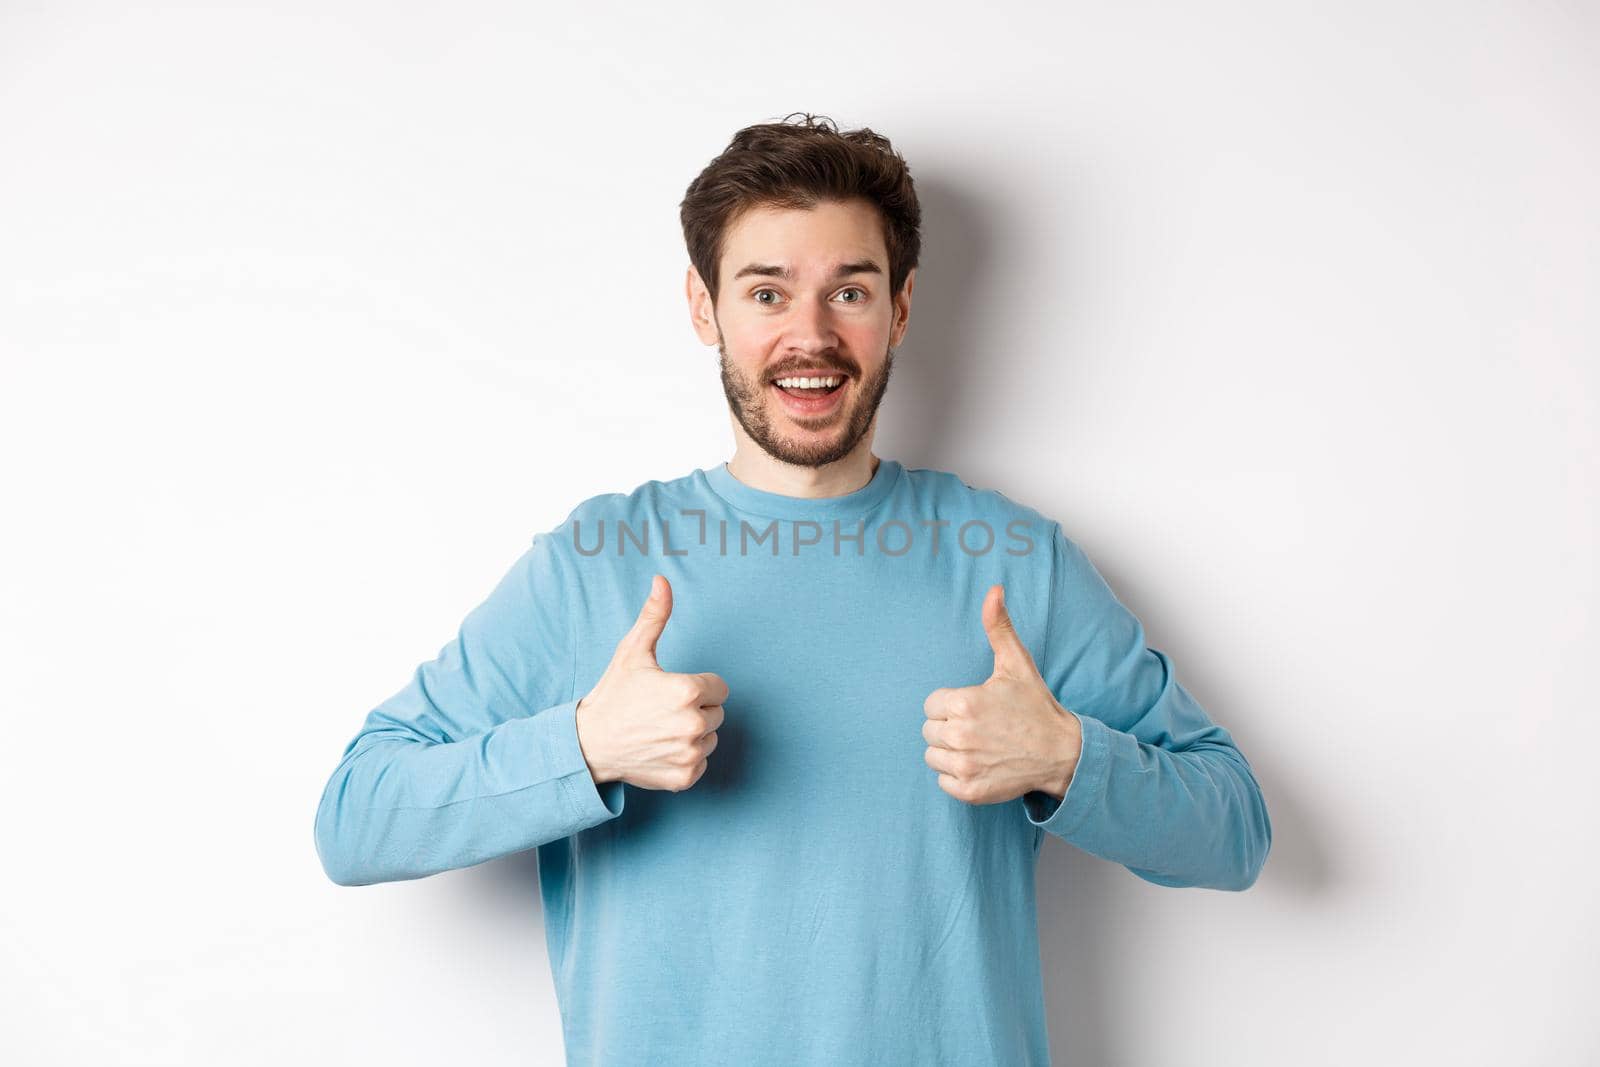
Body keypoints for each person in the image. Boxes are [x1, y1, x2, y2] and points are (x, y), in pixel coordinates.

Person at [312, 111, 1272, 1066]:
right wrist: (584, 746)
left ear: (899, 309)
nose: (809, 336)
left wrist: (1067, 757)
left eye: (848, 290)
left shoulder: (1015, 560)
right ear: (705, 307)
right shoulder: (596, 557)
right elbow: (356, 820)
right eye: (767, 292)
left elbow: (1233, 832)